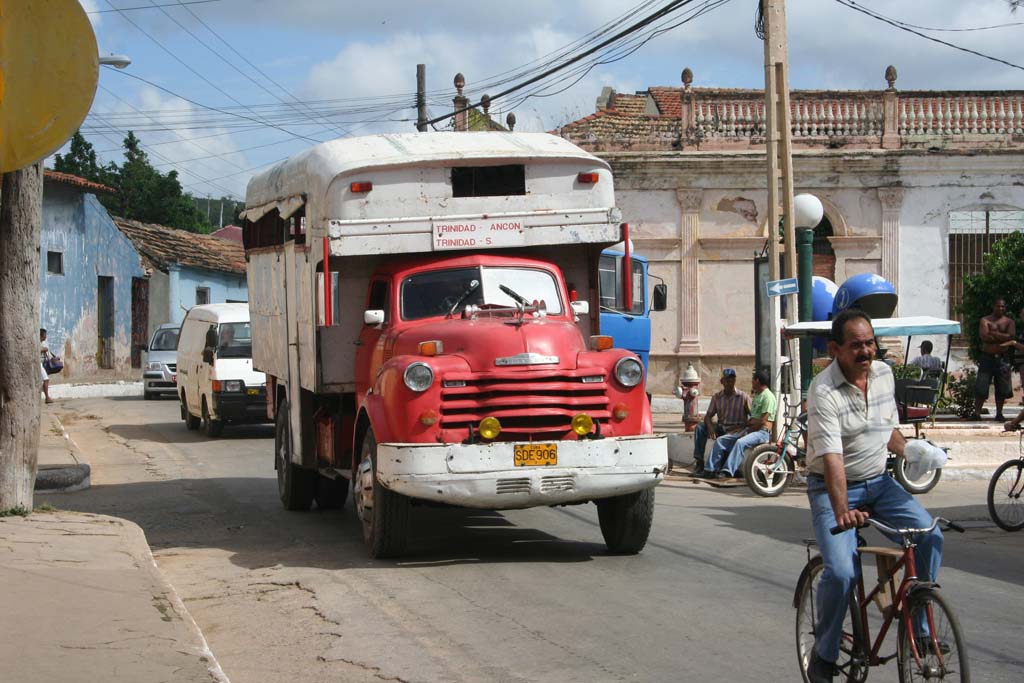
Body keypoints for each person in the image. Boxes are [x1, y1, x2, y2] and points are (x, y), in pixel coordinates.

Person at [804, 309, 943, 683]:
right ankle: (825, 653)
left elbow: (885, 431)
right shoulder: (823, 390)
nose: (866, 352)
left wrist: (914, 451)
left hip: (878, 483)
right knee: (842, 571)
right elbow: (832, 460)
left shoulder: (883, 373)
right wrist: (842, 511)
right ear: (835, 349)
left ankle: (920, 631)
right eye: (856, 346)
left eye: (870, 343)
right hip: (832, 487)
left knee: (930, 535)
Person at [701, 370, 776, 479]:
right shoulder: (758, 396)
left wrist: (747, 428)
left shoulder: (768, 397)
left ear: (757, 381)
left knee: (740, 442)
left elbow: (763, 421)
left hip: (762, 432)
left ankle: (728, 471)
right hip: (750, 429)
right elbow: (752, 419)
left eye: (753, 380)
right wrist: (743, 428)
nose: (752, 383)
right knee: (721, 440)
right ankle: (710, 470)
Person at [691, 368, 750, 476]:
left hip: (736, 430)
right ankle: (699, 462)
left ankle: (712, 469)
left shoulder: (743, 397)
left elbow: (753, 417)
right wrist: (710, 428)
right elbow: (708, 416)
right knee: (700, 427)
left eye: (732, 380)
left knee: (722, 440)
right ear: (722, 382)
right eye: (727, 380)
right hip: (722, 427)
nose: (730, 383)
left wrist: (743, 427)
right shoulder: (717, 397)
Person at [972, 297, 1015, 422]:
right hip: (987, 357)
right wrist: (1003, 337)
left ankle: (999, 413)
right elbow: (985, 337)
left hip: (1002, 359)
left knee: (1002, 387)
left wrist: (994, 333)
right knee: (981, 386)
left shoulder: (1009, 322)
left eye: (1003, 306)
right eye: (998, 306)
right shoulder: (985, 320)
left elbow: (1011, 337)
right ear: (993, 306)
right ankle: (977, 413)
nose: (1000, 308)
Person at [40, 328, 53, 404]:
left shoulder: (41, 342)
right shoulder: (38, 342)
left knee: (45, 380)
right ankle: (47, 397)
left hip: (40, 363)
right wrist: (43, 349)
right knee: (46, 379)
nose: (46, 337)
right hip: (38, 364)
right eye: (45, 335)